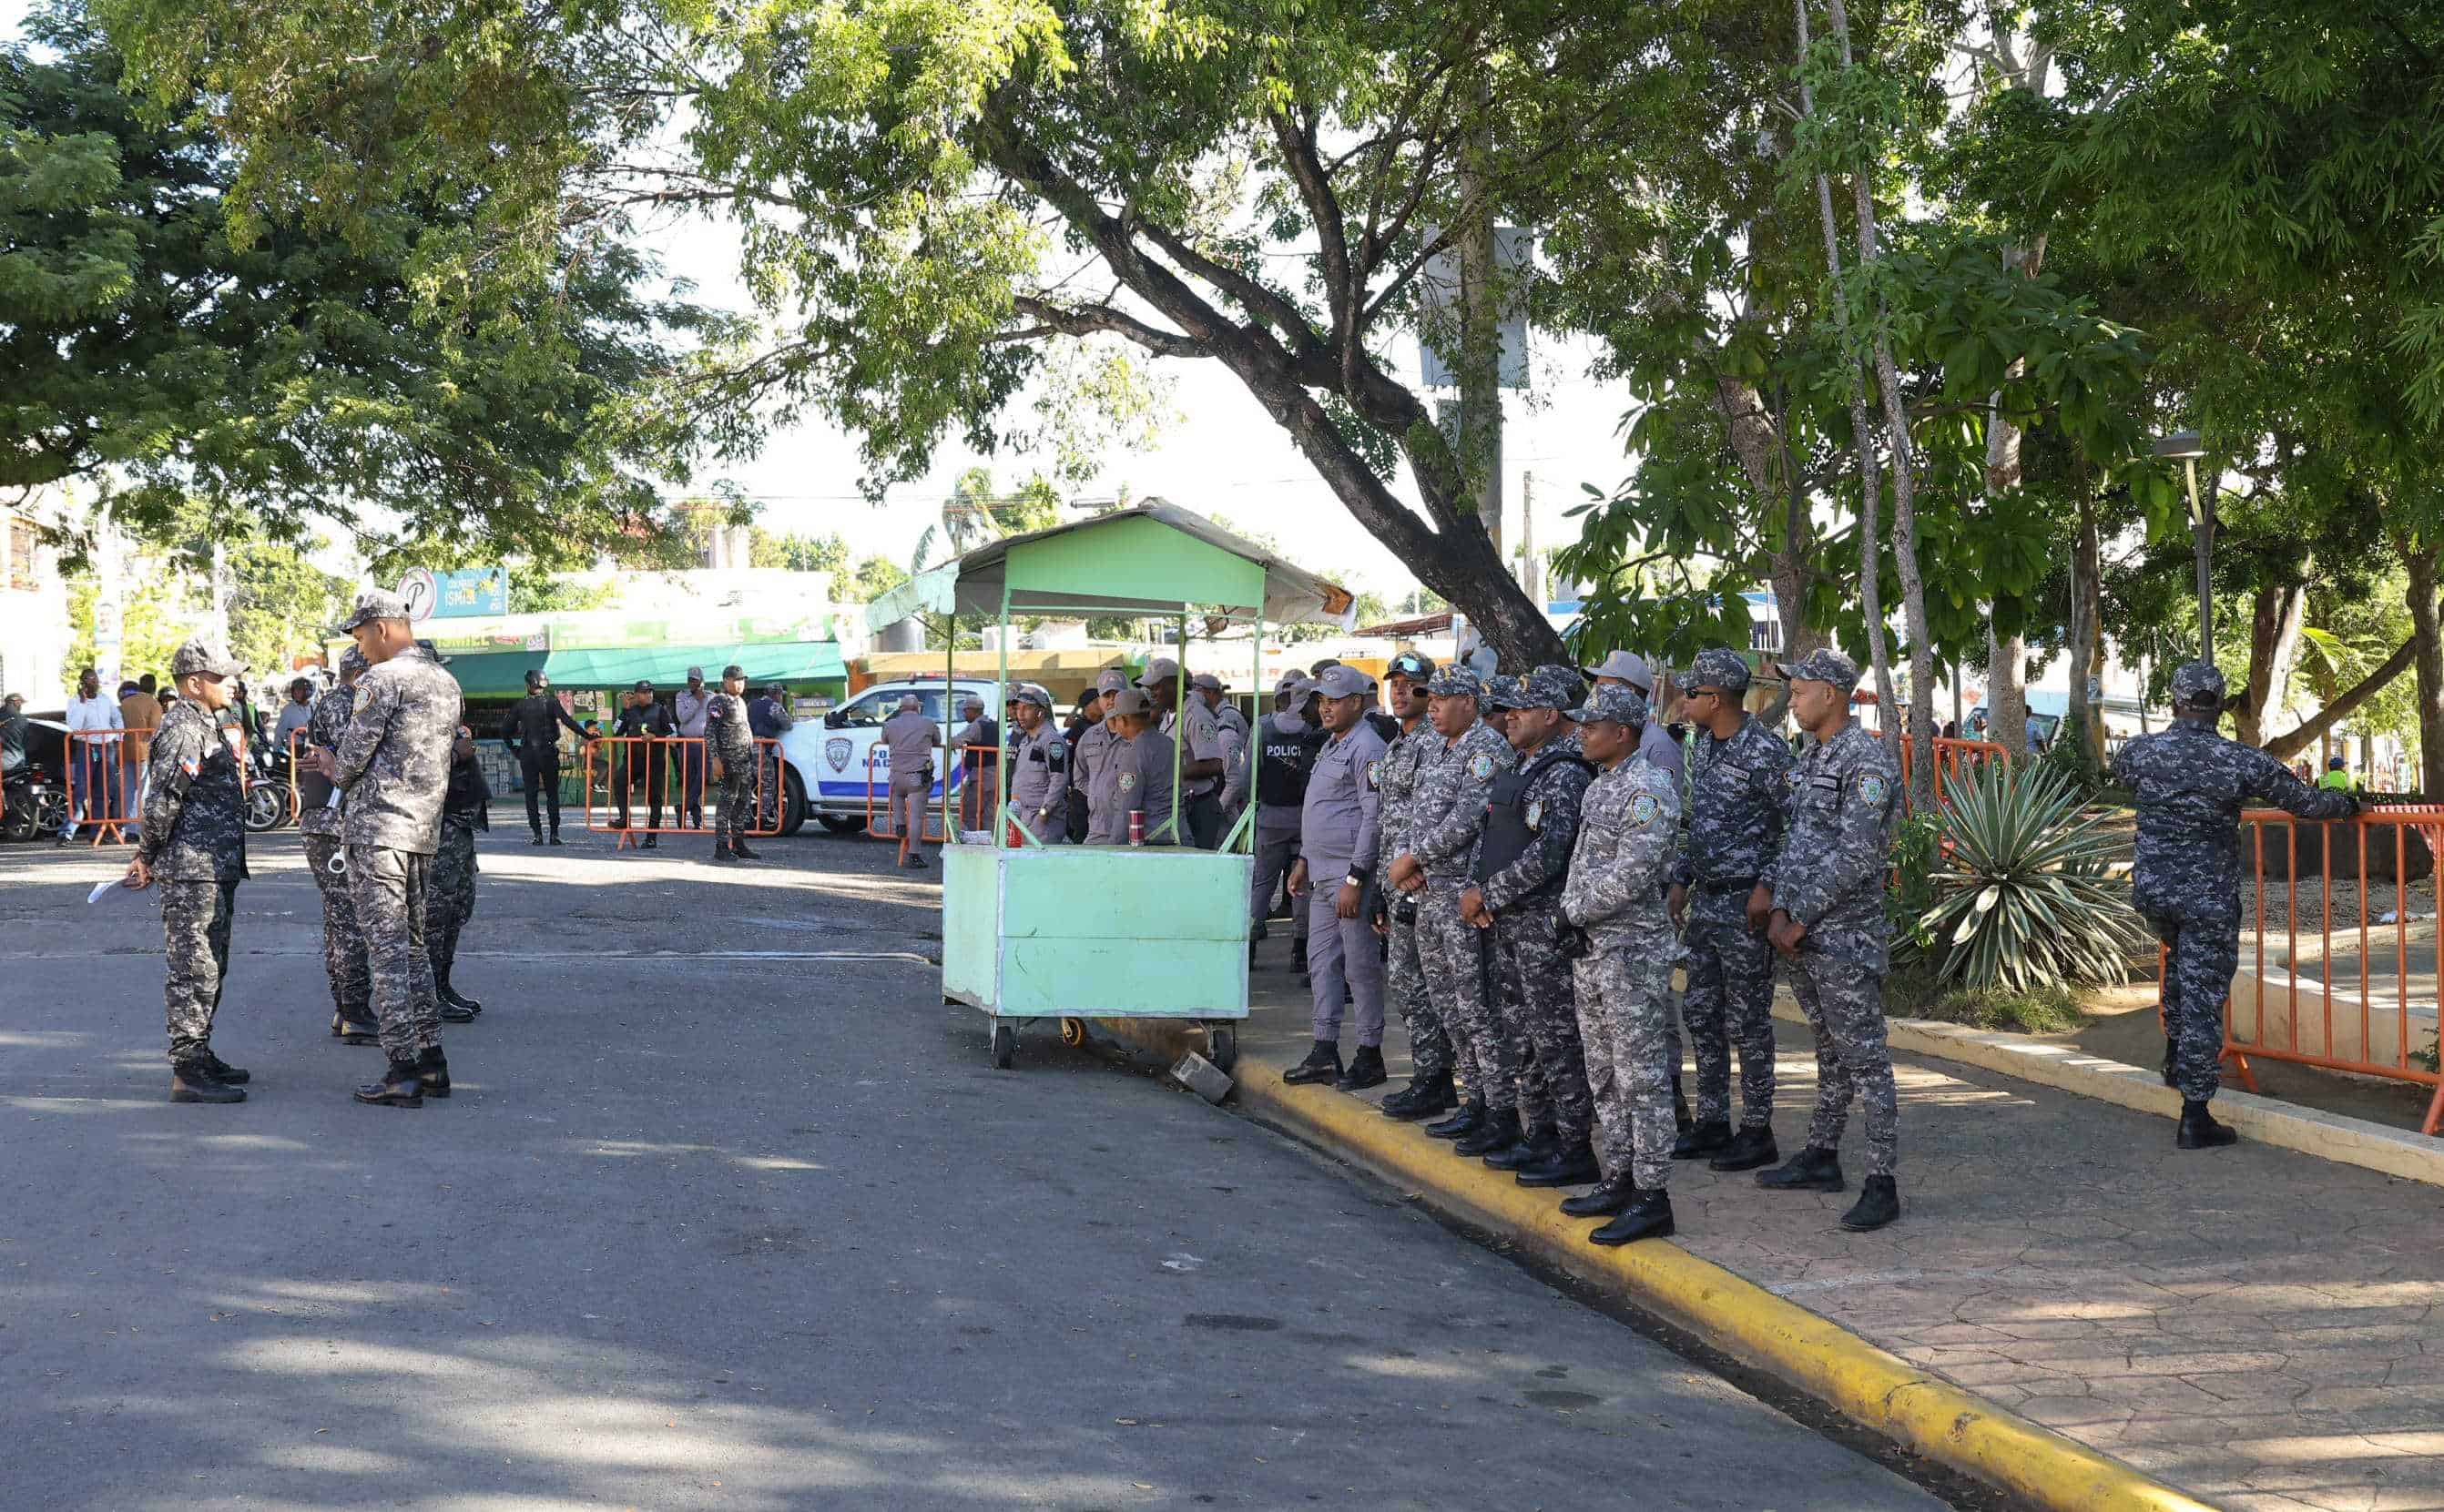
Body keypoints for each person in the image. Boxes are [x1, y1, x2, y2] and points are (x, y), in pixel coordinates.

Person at [2112, 661, 2359, 1147]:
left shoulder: (2139, 752)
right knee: (2203, 992)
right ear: (2221, 705)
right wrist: (2351, 806)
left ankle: (2174, 1058)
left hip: (2155, 892)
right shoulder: (2238, 761)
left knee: (2180, 968)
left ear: (2176, 702)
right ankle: (2195, 1114)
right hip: (2206, 898)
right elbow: (2306, 803)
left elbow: (2122, 773)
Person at [1748, 648, 1903, 1231]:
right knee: (1829, 1050)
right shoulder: (1814, 756)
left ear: (1832, 695)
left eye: (1802, 689)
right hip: (1803, 931)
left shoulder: (1864, 760)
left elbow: (1857, 855)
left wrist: (1801, 916)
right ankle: (1820, 1155)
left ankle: (1882, 1183)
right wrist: (1777, 899)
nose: (1793, 698)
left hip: (1841, 937)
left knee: (1867, 1062)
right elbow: (1799, 840)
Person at [310, 590, 463, 1109]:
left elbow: (351, 759)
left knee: (387, 949)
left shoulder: (382, 681)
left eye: (359, 636)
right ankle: (433, 1060)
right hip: (422, 830)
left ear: (382, 627)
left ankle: (402, 1068)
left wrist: (332, 767)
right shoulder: (445, 681)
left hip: (378, 832)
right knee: (415, 945)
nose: (359, 648)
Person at [1461, 665, 1601, 1186]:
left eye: (1522, 710)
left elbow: (1551, 853)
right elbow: (1493, 831)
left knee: (1555, 1037)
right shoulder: (1520, 764)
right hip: (1507, 922)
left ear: (1551, 714)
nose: (1510, 716)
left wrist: (1488, 893)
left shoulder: (1565, 772)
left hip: (1542, 925)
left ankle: (1573, 1143)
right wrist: (1475, 892)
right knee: (1523, 1036)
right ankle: (1539, 1132)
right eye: (1508, 709)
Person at [1560, 683, 1685, 1243]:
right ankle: (1619, 1175)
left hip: (1630, 952)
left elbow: (1634, 875)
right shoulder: (1601, 786)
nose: (1583, 732)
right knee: (1604, 1073)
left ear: (1623, 733)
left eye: (1592, 726)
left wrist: (1572, 910)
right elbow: (1584, 863)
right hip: (1593, 949)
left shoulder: (1648, 789)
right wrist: (1572, 913)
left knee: (1642, 1077)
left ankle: (1653, 1194)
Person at [1666, 648, 1792, 1173]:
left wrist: (1767, 886)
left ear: (1714, 699)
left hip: (1745, 904)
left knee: (1748, 1021)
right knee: (1701, 1012)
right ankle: (1713, 1121)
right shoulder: (1706, 747)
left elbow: (1794, 828)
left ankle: (1757, 1129)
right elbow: (1700, 821)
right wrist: (1680, 878)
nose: (1682, 701)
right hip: (1707, 900)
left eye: (1690, 693)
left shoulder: (1765, 751)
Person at [1392, 665, 1519, 1152]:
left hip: (1461, 897)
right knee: (1449, 1005)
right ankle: (1475, 1099)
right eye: (1432, 697)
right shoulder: (1435, 747)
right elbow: (1410, 810)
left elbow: (1469, 818)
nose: (1435, 705)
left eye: (1444, 697)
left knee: (1477, 1006)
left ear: (1470, 701)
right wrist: (1411, 863)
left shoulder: (1484, 750)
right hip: (1429, 893)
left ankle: (1500, 1109)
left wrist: (1414, 857)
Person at [122, 639, 252, 1104]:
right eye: (222, 676)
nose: (233, 683)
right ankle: (187, 1068)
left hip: (213, 865)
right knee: (193, 968)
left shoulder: (208, 722)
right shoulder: (182, 726)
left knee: (212, 964)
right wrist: (147, 853)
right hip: (191, 868)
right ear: (195, 683)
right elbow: (163, 800)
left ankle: (200, 1050)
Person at [1280, 665, 1391, 1089]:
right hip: (1321, 874)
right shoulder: (1332, 745)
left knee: (1360, 967)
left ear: (1356, 703)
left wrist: (1357, 877)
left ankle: (1370, 1051)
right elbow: (1321, 810)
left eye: (1333, 700)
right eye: (1321, 701)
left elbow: (1373, 816)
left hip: (1348, 876)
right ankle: (1324, 1048)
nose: (1325, 708)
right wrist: (1305, 860)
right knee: (1320, 962)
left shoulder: (1368, 747)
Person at [1366, 651, 1460, 1120]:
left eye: (1410, 684)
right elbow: (1388, 820)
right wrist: (1378, 887)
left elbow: (1432, 820)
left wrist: (1407, 884)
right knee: (1407, 984)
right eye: (1394, 683)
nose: (1399, 691)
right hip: (1395, 880)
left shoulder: (1436, 743)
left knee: (1429, 987)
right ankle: (1431, 1075)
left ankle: (1437, 1078)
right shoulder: (1397, 744)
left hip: (1423, 885)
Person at [297, 646, 378, 1045]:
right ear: (361, 670)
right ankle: (354, 1009)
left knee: (339, 915)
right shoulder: (346, 703)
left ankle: (345, 1007)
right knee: (349, 917)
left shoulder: (340, 701)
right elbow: (356, 759)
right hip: (333, 821)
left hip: (330, 820)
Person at [1247, 674, 1324, 969]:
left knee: (1263, 884)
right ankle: (1299, 950)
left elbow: (1248, 776)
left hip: (1271, 816)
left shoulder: (1264, 728)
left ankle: (1250, 947)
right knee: (1302, 885)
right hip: (1306, 818)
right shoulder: (1316, 730)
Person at [429, 712, 490, 1022]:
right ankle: (428, 995)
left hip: (462, 826)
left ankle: (443, 985)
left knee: (457, 910)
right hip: (442, 826)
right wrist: (454, 753)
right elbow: (418, 770)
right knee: (436, 915)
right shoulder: (417, 718)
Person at [1140, 658, 1227, 848]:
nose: (1152, 693)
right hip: (1178, 805)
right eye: (1150, 688)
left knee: (1198, 867)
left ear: (1174, 684)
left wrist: (1172, 772)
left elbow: (1215, 764)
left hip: (1198, 806)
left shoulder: (1196, 716)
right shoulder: (1168, 715)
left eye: (1157, 687)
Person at [500, 669, 587, 845]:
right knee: (552, 794)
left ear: (528, 685)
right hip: (548, 752)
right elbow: (568, 722)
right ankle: (554, 834)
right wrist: (588, 735)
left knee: (530, 795)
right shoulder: (552, 703)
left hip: (528, 754)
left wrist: (514, 749)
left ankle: (537, 834)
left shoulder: (520, 705)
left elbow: (504, 730)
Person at [1083, 688, 1178, 846]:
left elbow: (1126, 808)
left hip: (1153, 839)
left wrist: (1114, 850)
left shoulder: (1132, 754)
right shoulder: (1168, 743)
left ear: (1124, 721)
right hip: (1177, 833)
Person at [1588, 650, 1686, 787]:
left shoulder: (1659, 748)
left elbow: (1665, 803)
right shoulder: (1606, 736)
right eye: (1596, 687)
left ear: (1629, 692)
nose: (1596, 694)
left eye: (1604, 687)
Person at [704, 665, 762, 862]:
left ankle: (738, 843)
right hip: (728, 761)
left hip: (744, 760)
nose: (740, 684)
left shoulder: (741, 702)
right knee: (726, 803)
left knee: (742, 803)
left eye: (742, 680)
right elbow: (710, 732)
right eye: (736, 680)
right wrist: (715, 759)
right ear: (726, 681)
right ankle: (721, 846)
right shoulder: (718, 702)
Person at [61, 666, 125, 843]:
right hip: (87, 747)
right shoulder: (75, 702)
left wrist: (119, 737)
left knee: (103, 791)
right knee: (81, 791)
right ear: (82, 683)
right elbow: (75, 726)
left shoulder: (105, 700)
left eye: (95, 680)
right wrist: (82, 701)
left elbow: (117, 718)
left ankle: (97, 832)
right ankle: (66, 832)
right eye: (89, 680)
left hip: (106, 747)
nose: (94, 683)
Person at [610, 679, 677, 846]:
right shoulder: (630, 711)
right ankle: (624, 819)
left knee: (654, 797)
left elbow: (674, 734)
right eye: (644, 692)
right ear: (636, 694)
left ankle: (651, 837)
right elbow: (615, 730)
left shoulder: (660, 710)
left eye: (650, 692)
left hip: (654, 761)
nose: (649, 695)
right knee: (619, 781)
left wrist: (656, 737)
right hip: (633, 759)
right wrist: (624, 710)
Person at [880, 693, 940, 868]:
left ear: (901, 709)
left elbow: (884, 739)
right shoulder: (928, 723)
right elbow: (938, 740)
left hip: (896, 774)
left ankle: (899, 823)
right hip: (916, 776)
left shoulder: (890, 724)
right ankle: (914, 854)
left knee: (897, 796)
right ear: (917, 708)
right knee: (916, 817)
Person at [1005, 685, 1071, 843]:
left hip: (1042, 822)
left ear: (1040, 711)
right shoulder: (1025, 741)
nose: (1020, 714)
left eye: (1026, 708)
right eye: (1018, 708)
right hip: (1024, 817)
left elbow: (1059, 778)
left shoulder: (1051, 741)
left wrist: (1045, 812)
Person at [1068, 670, 1127, 843]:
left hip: (1130, 826)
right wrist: (1099, 794)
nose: (1111, 700)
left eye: (1116, 694)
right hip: (1097, 826)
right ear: (1099, 701)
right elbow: (1079, 778)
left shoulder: (1138, 734)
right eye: (1106, 695)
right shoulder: (1089, 737)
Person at [1198, 674, 1251, 829]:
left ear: (1209, 693)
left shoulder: (1228, 717)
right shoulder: (1212, 716)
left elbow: (1234, 780)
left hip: (1228, 807)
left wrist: (1218, 812)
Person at [748, 684, 796, 832]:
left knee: (746, 784)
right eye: (780, 694)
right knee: (768, 784)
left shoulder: (752, 704)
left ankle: (745, 819)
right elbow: (787, 725)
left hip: (745, 746)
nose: (781, 697)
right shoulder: (774, 706)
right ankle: (761, 819)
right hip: (761, 748)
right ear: (775, 694)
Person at [952, 695, 1000, 833]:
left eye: (966, 710)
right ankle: (990, 844)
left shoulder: (976, 726)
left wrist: (952, 743)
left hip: (981, 775)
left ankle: (976, 843)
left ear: (974, 710)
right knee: (989, 815)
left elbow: (956, 741)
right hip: (995, 774)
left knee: (969, 812)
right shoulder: (993, 724)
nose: (964, 713)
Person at [675, 666, 714, 828]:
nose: (693, 683)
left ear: (702, 681)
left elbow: (715, 718)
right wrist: (695, 701)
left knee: (703, 777)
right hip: (686, 743)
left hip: (704, 742)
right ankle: (696, 818)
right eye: (690, 680)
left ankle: (682, 808)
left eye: (696, 680)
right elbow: (682, 718)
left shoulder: (712, 697)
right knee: (689, 781)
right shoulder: (681, 696)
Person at [119, 675, 161, 773]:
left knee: (129, 786)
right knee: (144, 786)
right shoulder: (154, 704)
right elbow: (155, 731)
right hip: (143, 752)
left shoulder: (125, 702)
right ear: (154, 687)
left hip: (125, 750)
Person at [273, 677, 316, 754]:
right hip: (294, 750)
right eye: (294, 690)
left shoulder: (315, 708)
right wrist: (275, 752)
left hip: (312, 749)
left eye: (299, 690)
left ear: (308, 692)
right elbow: (279, 733)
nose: (296, 693)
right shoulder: (288, 710)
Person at [1, 692, 26, 776]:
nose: (21, 706)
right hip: (14, 760)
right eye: (20, 703)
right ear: (15, 702)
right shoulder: (21, 718)